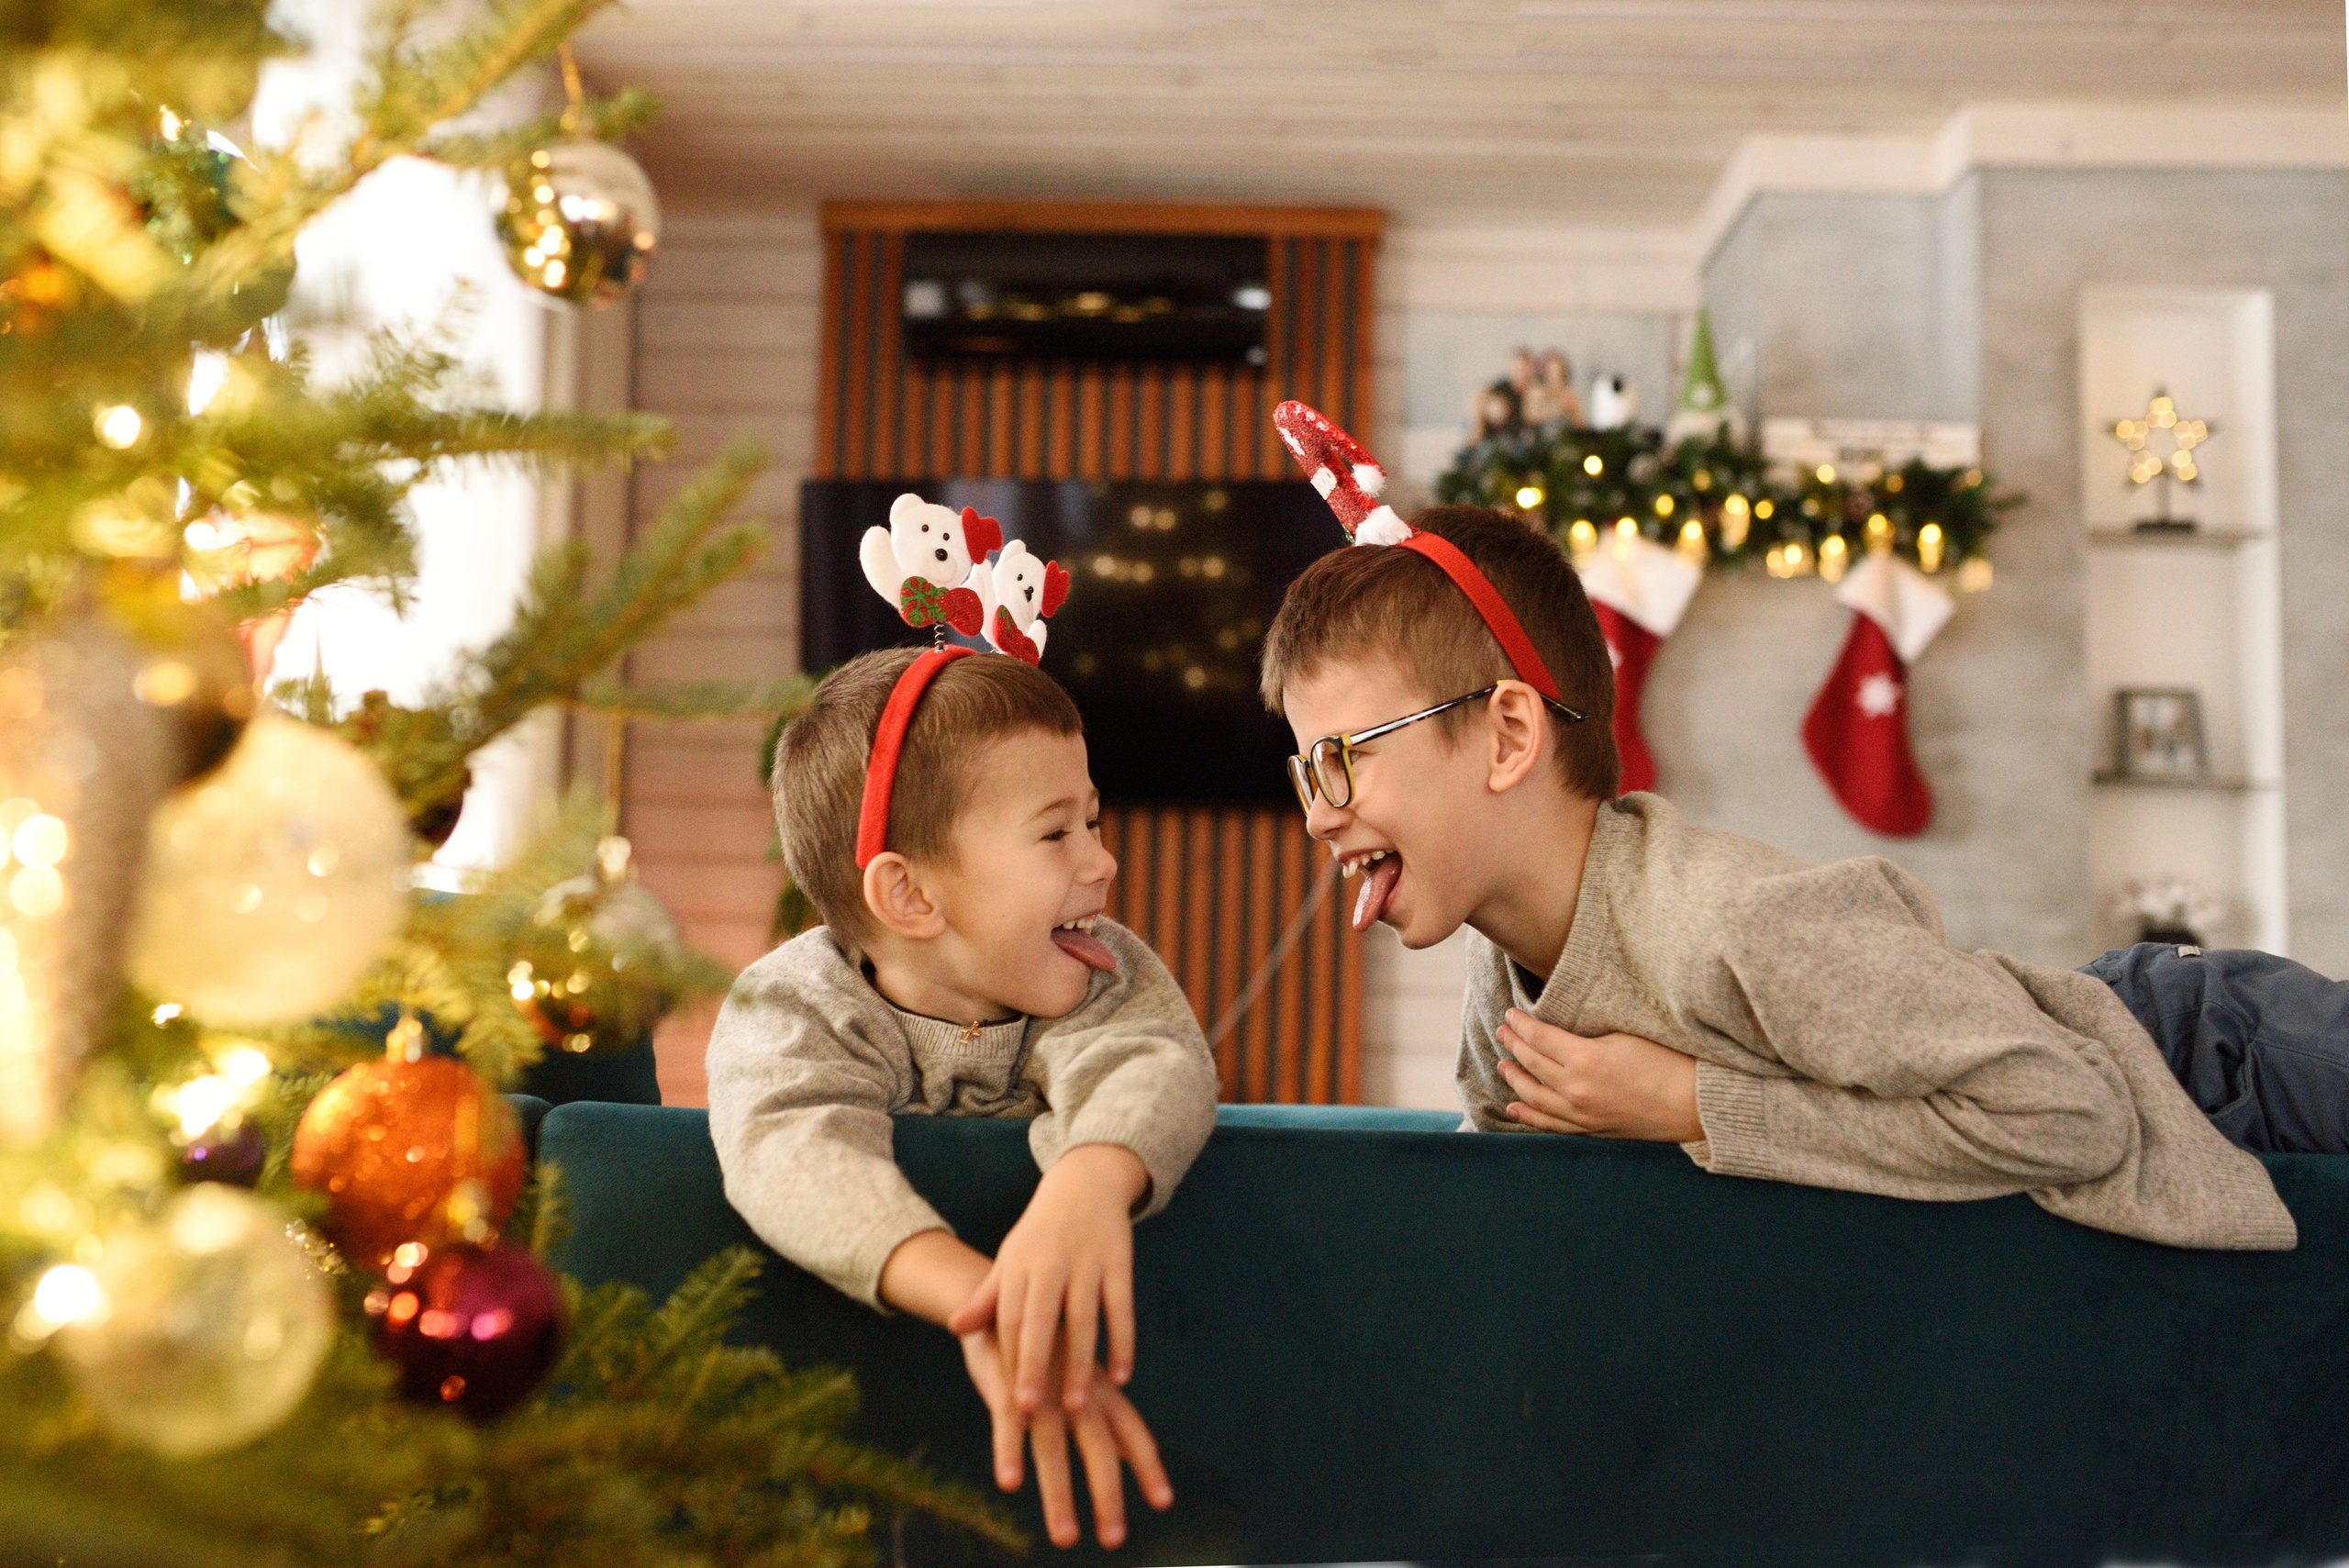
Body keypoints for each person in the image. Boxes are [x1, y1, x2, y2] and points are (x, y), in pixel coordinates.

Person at [1258, 400, 2333, 1250]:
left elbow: (2072, 1113)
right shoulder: (1508, 967)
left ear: (1504, 738)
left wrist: (1696, 1102)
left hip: (2216, 1060)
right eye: (1306, 770)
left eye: (1346, 757)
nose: (1320, 812)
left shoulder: (1726, 925)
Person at [708, 644, 1219, 1550]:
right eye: (1057, 831)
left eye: (1093, 822)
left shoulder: (1104, 973)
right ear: (908, 891)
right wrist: (981, 1299)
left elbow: (1154, 1063)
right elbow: (787, 1146)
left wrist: (1086, 1186)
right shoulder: (791, 1004)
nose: (1103, 862)